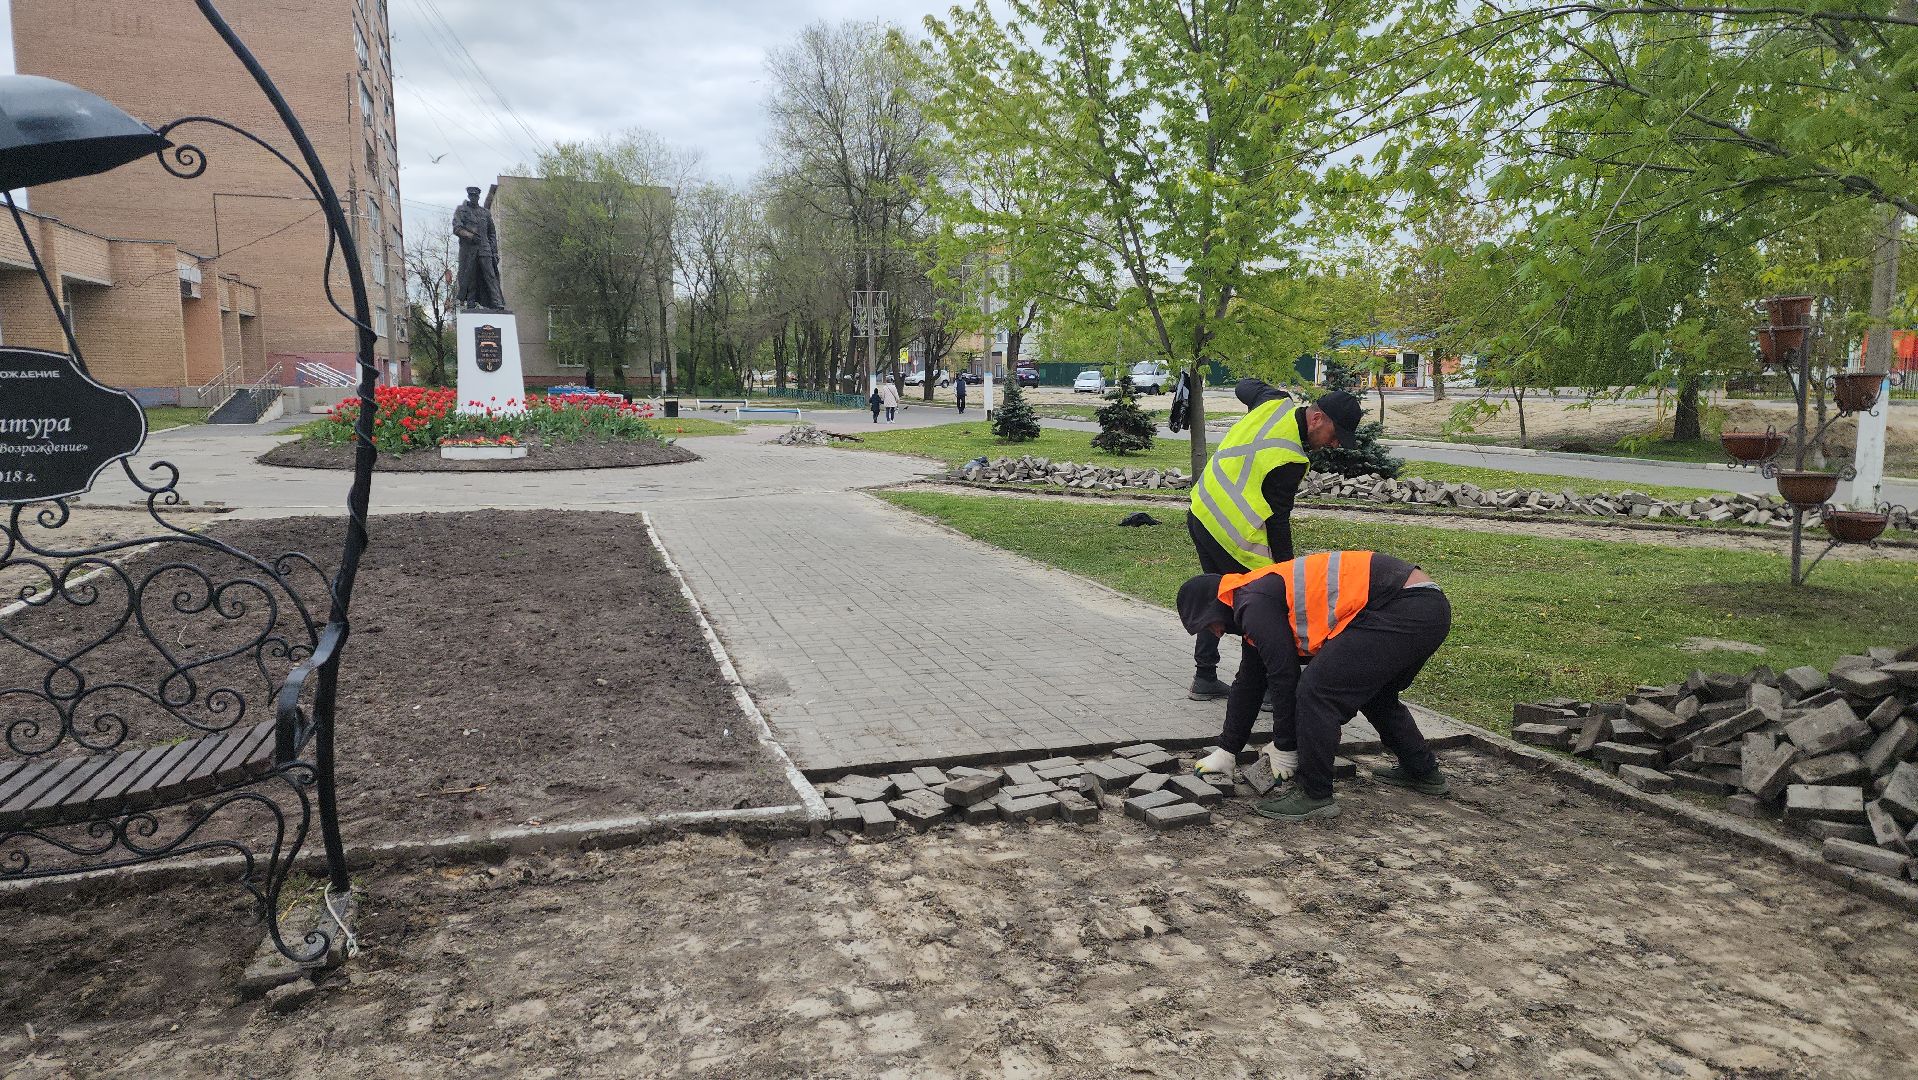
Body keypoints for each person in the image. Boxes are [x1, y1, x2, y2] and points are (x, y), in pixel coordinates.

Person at [1178, 550, 1453, 821]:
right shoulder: (1254, 601)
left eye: (1207, 623)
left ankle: (1315, 793)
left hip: (1404, 604)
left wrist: (1285, 748)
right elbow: (1248, 684)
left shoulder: (1253, 602)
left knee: (1317, 691)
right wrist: (1228, 750)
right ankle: (1422, 771)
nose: (1215, 631)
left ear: (1214, 604)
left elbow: (1284, 676)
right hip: (1420, 606)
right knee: (1373, 693)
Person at [1185, 381, 1364, 702]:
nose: (1336, 445)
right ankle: (1263, 689)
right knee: (1263, 606)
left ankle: (1205, 675)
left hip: (1202, 509)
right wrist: (1286, 575)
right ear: (1317, 418)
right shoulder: (1290, 458)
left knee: (1219, 593)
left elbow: (1244, 387)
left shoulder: (1273, 401)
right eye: (1335, 436)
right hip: (1232, 532)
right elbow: (1277, 522)